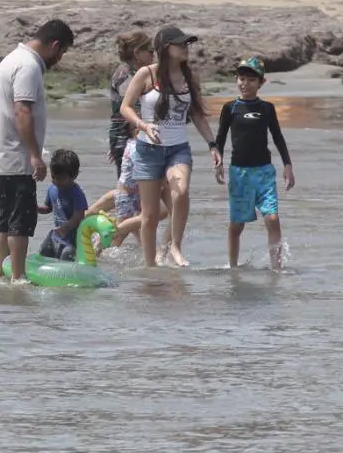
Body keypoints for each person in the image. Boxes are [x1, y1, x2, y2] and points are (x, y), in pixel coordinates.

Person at [120, 26, 218, 268]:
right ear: (166, 48)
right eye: (181, 44)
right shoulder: (146, 74)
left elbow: (196, 114)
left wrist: (212, 144)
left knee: (181, 191)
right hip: (147, 151)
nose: (186, 48)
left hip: (178, 149)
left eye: (187, 44)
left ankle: (175, 246)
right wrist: (143, 126)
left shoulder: (189, 77)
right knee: (150, 216)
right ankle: (150, 268)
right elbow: (126, 107)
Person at [0, 20, 74, 280]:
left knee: (7, 218)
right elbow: (22, 111)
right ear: (54, 45)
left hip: (3, 152)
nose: (59, 59)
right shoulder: (28, 66)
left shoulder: (13, 58)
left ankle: (3, 274)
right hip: (16, 154)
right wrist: (35, 155)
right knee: (20, 222)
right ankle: (18, 277)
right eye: (62, 52)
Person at [211, 57, 295, 271]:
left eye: (250, 79)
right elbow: (220, 137)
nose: (245, 83)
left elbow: (278, 137)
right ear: (236, 80)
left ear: (261, 82)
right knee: (237, 225)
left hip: (264, 172)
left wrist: (287, 165)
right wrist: (218, 161)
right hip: (239, 173)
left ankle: (277, 269)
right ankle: (232, 267)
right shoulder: (230, 108)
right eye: (241, 78)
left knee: (273, 219)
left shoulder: (267, 108)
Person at [108, 30, 154, 177]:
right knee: (131, 192)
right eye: (151, 51)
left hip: (127, 139)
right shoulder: (126, 75)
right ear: (137, 53)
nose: (153, 55)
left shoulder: (134, 73)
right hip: (128, 140)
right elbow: (130, 112)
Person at [37, 149, 89, 261]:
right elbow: (48, 208)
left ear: (74, 176)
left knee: (67, 256)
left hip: (72, 241)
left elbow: (78, 216)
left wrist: (66, 227)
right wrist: (36, 208)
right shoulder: (52, 189)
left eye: (61, 178)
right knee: (43, 251)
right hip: (55, 236)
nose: (56, 181)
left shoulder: (77, 193)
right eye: (53, 177)